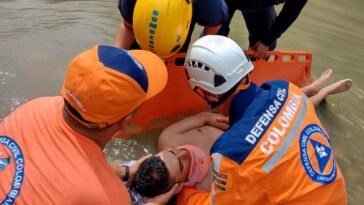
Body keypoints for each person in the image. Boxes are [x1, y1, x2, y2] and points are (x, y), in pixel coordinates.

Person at [178, 35, 347, 204]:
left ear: (209, 94)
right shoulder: (287, 89)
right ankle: (322, 90)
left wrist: (183, 192)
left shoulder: (231, 153)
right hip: (338, 195)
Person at [0, 45, 179, 204]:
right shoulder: (109, 197)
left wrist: (126, 172)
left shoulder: (36, 107)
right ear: (126, 120)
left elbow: (58, 165)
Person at [115, 0, 228, 58]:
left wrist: (198, 55)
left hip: (178, 38)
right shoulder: (131, 2)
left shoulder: (209, 5)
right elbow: (128, 27)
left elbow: (214, 24)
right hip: (140, 36)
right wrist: (117, 56)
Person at [218, 0, 308, 59]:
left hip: (260, 3)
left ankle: (248, 78)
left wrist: (265, 42)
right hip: (225, 1)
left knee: (265, 47)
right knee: (216, 39)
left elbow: (290, 13)